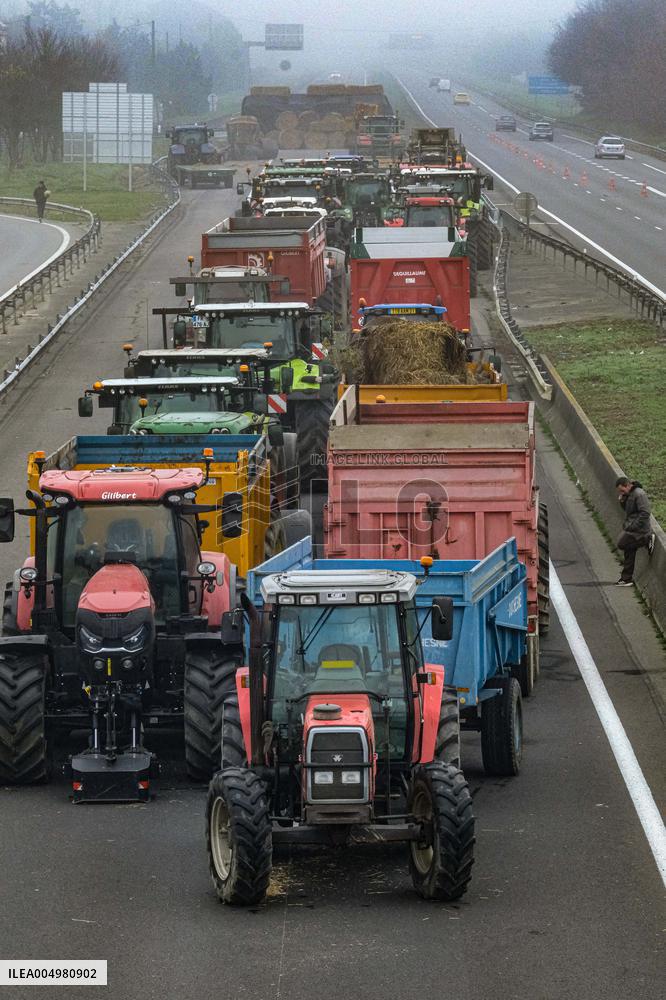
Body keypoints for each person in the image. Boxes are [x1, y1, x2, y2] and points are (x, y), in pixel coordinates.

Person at [615, 476, 655, 586]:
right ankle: (626, 578)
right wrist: (622, 500)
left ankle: (647, 539)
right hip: (632, 528)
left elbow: (645, 513)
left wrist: (634, 525)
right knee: (629, 548)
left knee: (622, 543)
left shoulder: (639, 494)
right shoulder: (629, 494)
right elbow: (628, 511)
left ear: (628, 485)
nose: (621, 492)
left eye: (622, 490)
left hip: (640, 529)